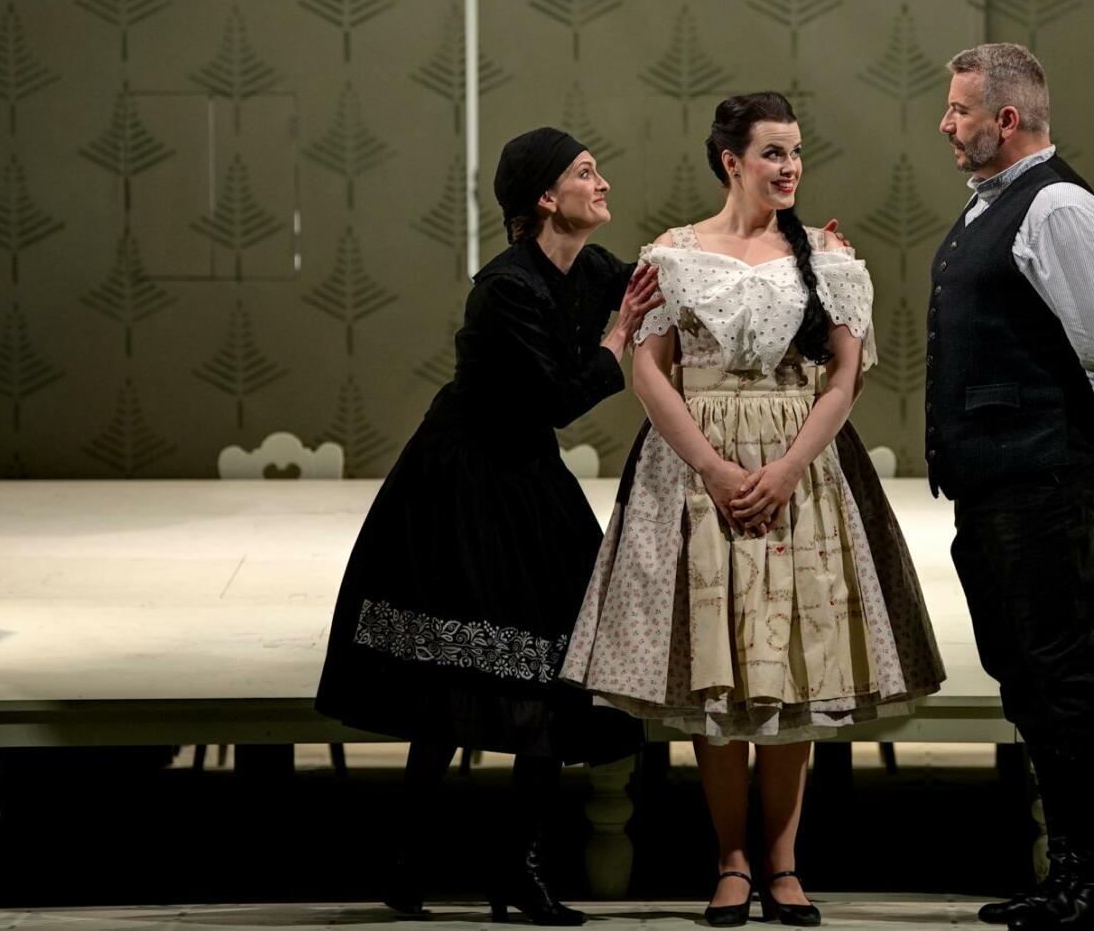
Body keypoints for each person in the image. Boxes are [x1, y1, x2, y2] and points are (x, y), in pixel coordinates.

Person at [562, 91, 946, 928]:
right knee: (720, 666)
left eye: (797, 152)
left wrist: (786, 469)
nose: (790, 167)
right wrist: (711, 468)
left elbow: (844, 377)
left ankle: (784, 861)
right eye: (774, 152)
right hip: (698, 473)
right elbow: (650, 371)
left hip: (795, 472)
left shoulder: (828, 258)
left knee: (788, 670)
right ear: (731, 161)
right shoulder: (674, 255)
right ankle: (731, 859)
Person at [314, 127, 663, 923]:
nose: (603, 183)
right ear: (545, 197)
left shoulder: (590, 268)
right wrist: (618, 338)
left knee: (553, 668)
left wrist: (801, 250)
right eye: (585, 173)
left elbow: (667, 276)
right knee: (456, 679)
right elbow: (558, 398)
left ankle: (515, 869)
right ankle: (410, 862)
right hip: (464, 483)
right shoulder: (507, 289)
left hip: (525, 476)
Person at [930, 44, 1094, 931]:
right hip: (997, 478)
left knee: (1061, 675)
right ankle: (1068, 876)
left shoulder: (1055, 205)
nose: (946, 124)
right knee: (1027, 675)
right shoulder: (993, 203)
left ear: (1007, 119)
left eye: (959, 110)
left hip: (1038, 474)